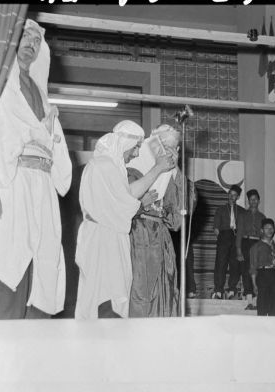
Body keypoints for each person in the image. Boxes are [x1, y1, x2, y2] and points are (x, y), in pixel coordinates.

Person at [0, 20, 72, 319]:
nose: (31, 43)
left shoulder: (40, 91)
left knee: (43, 263)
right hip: (10, 182)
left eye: (36, 40)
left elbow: (51, 146)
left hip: (42, 187)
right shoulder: (1, 86)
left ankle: (33, 351)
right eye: (24, 36)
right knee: (6, 257)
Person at [75, 120, 175, 319]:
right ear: (124, 142)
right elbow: (126, 203)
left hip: (112, 238)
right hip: (101, 241)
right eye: (136, 147)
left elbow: (129, 194)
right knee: (104, 299)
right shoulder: (103, 165)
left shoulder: (112, 166)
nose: (136, 153)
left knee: (115, 297)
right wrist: (156, 170)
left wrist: (158, 170)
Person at [127, 124, 195, 318]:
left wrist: (175, 170)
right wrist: (140, 204)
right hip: (137, 236)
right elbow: (119, 203)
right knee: (141, 293)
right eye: (165, 145)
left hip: (161, 240)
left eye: (174, 147)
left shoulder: (172, 174)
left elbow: (178, 216)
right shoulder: (131, 167)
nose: (168, 151)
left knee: (166, 291)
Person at [212, 184, 245, 299]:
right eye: (230, 194)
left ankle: (232, 289)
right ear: (228, 195)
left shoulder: (242, 211)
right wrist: (222, 238)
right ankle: (218, 290)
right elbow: (216, 228)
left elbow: (243, 229)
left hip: (237, 238)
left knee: (235, 264)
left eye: (235, 195)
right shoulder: (220, 210)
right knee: (220, 263)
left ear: (238, 197)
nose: (232, 197)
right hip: (224, 236)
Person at [236, 188, 266, 310]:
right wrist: (238, 249)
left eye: (255, 199)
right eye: (251, 199)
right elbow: (239, 233)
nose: (253, 201)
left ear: (258, 201)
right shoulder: (243, 215)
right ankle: (249, 301)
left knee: (256, 271)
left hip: (257, 244)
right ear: (248, 201)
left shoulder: (262, 217)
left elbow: (264, 235)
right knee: (246, 271)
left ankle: (256, 300)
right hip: (246, 242)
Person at [250, 218, 275, 316]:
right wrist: (254, 284)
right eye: (267, 228)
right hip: (262, 275)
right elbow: (253, 266)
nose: (270, 230)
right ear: (262, 230)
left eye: (272, 228)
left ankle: (273, 328)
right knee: (262, 304)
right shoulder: (256, 247)